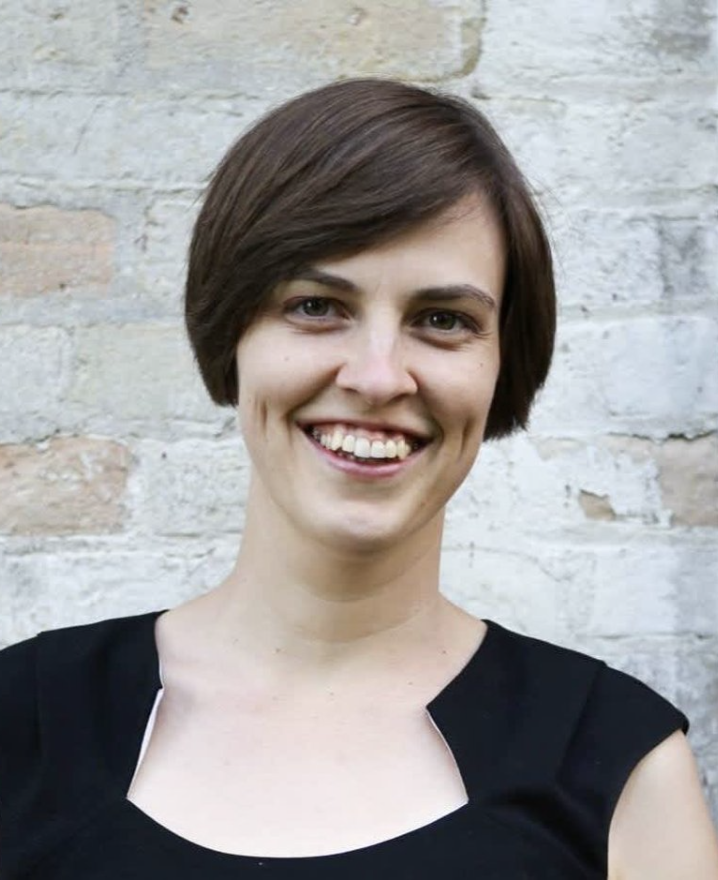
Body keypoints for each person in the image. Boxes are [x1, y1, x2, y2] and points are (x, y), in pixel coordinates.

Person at [1, 78, 716, 879]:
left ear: (503, 365)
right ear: (229, 332)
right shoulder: (21, 724)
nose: (379, 378)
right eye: (316, 306)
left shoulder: (619, 769)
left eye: (442, 320)